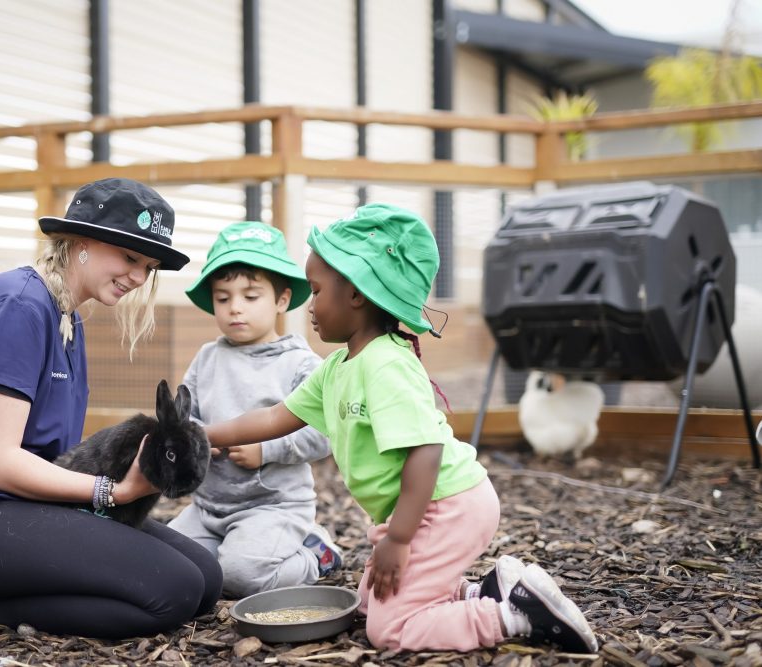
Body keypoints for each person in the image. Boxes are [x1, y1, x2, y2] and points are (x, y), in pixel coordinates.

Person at [205, 204, 599, 654]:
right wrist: (206, 434)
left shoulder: (386, 363)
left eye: (316, 291)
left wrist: (399, 539)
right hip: (420, 507)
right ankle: (482, 591)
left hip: (446, 504)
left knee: (389, 630)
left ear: (355, 294)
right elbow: (276, 418)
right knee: (371, 602)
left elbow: (426, 451)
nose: (309, 307)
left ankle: (515, 616)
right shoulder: (338, 367)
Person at [0, 178, 222, 639]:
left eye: (148, 266)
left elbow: (54, 454)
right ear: (81, 239)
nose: (138, 277)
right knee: (174, 590)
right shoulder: (18, 306)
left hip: (14, 506)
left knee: (205, 577)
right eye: (130, 257)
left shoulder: (67, 316)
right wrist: (112, 492)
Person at [168, 221, 341, 597]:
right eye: (223, 297)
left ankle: (316, 554)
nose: (235, 309)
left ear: (281, 300)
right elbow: (185, 413)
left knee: (240, 578)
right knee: (169, 566)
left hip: (272, 507)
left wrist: (268, 448)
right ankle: (229, 554)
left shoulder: (299, 364)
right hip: (208, 507)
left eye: (250, 296)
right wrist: (195, 437)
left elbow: (323, 434)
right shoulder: (208, 356)